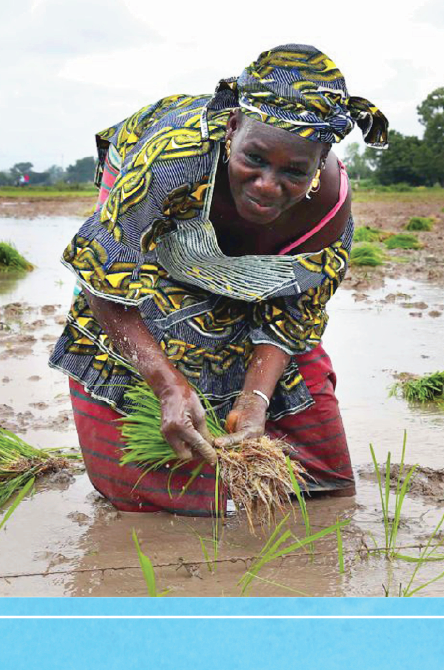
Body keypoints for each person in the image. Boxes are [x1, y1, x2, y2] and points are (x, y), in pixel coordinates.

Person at [48, 44, 386, 516]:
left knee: (321, 485)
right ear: (231, 130)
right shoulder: (171, 159)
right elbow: (104, 277)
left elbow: (293, 315)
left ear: (322, 158)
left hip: (248, 257)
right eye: (255, 159)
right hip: (150, 219)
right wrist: (166, 384)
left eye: (294, 171)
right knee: (160, 487)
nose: (268, 185)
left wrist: (255, 400)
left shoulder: (327, 209)